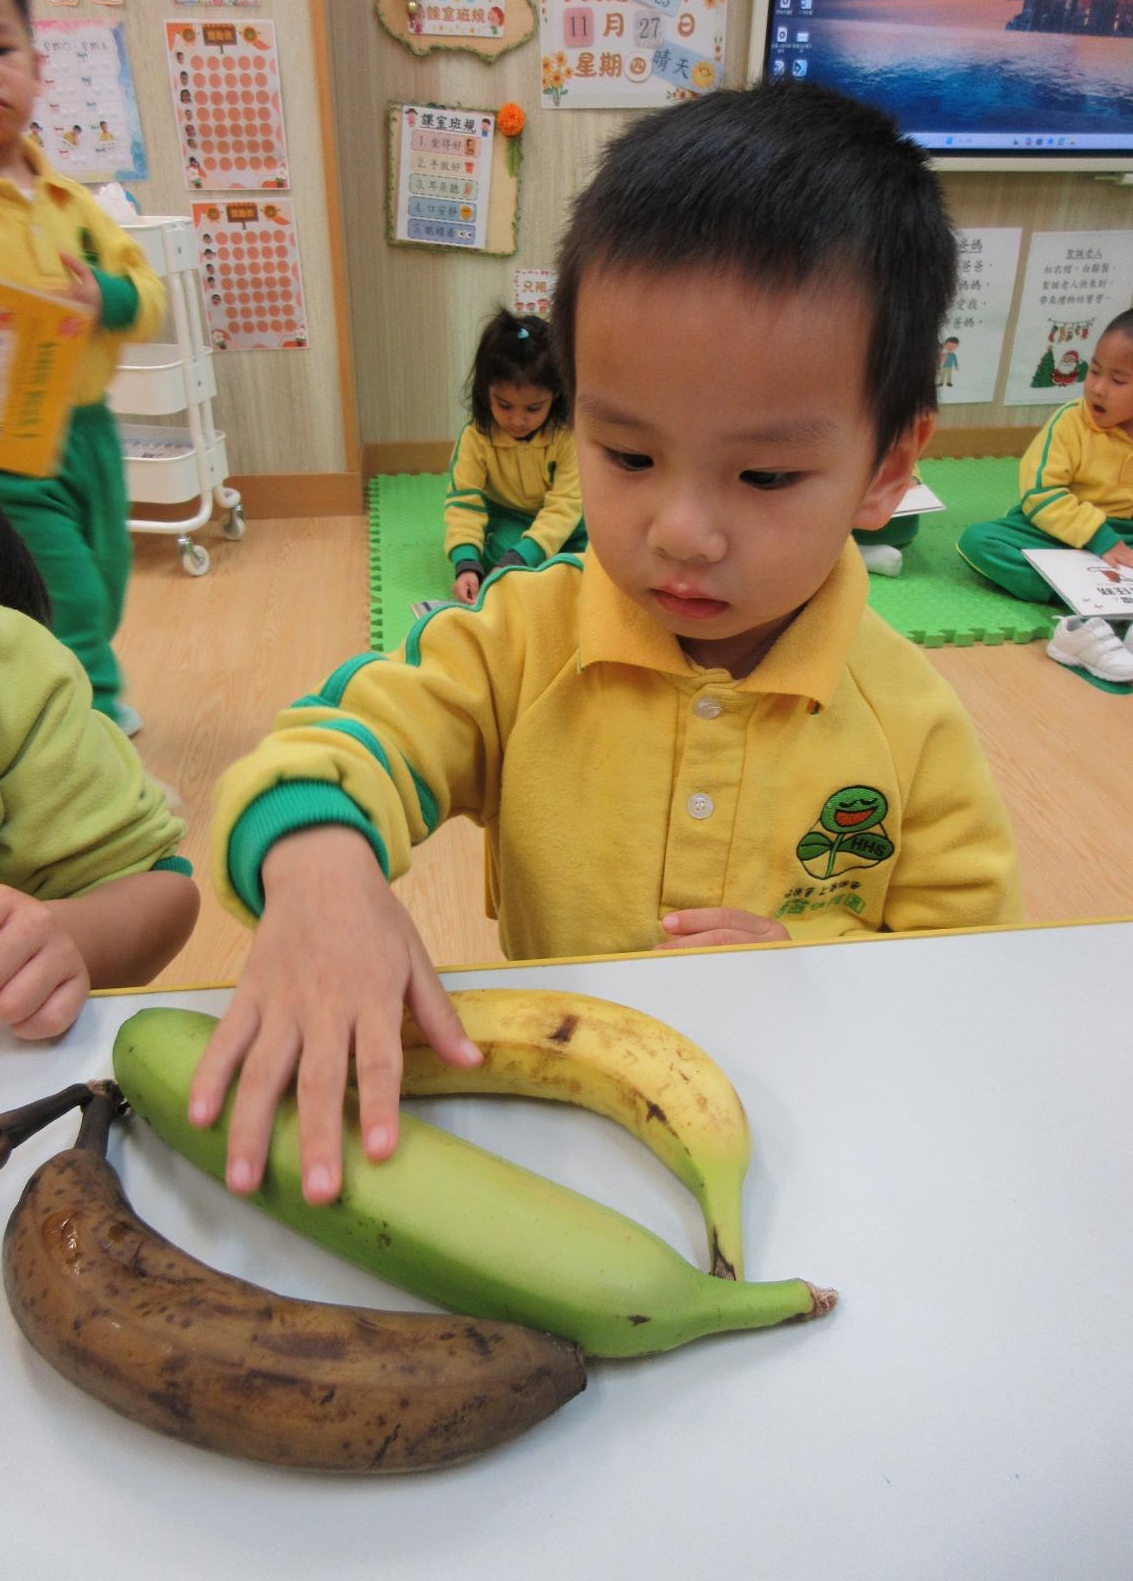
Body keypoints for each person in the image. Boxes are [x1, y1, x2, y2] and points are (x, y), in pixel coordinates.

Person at [192, 83, 1020, 1206]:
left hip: (823, 1131)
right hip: (558, 1128)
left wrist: (812, 965)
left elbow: (970, 970)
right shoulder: (517, 643)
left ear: (888, 467)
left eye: (766, 475)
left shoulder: (912, 725)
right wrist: (321, 869)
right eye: (626, 455)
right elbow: (331, 746)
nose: (679, 531)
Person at [0, 354, 199, 1040]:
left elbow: (160, 889)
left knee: (84, 598)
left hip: (64, 435)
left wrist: (58, 940)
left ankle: (100, 723)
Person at [0, 0, 166, 733]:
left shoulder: (70, 201)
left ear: (38, 68)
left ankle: (55, 694)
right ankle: (87, 730)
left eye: (1, 49)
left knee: (106, 577)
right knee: (69, 595)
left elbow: (146, 292)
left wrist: (108, 298)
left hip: (89, 433)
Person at [958, 308, 1133, 683]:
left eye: (1119, 380)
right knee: (980, 541)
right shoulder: (1071, 421)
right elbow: (1040, 494)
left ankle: (1110, 612)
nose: (1098, 387)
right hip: (1055, 530)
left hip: (1124, 541)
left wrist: (1116, 545)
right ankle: (1086, 607)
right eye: (1095, 370)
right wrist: (1097, 537)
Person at [444, 309, 585, 605]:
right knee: (497, 551)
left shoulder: (567, 436)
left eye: (533, 408)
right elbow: (464, 503)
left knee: (603, 547)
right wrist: (466, 564)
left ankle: (541, 562)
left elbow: (566, 505)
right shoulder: (476, 436)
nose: (518, 420)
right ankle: (541, 564)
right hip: (508, 518)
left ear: (557, 394)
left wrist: (524, 555)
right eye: (504, 405)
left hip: (567, 520)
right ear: (486, 392)